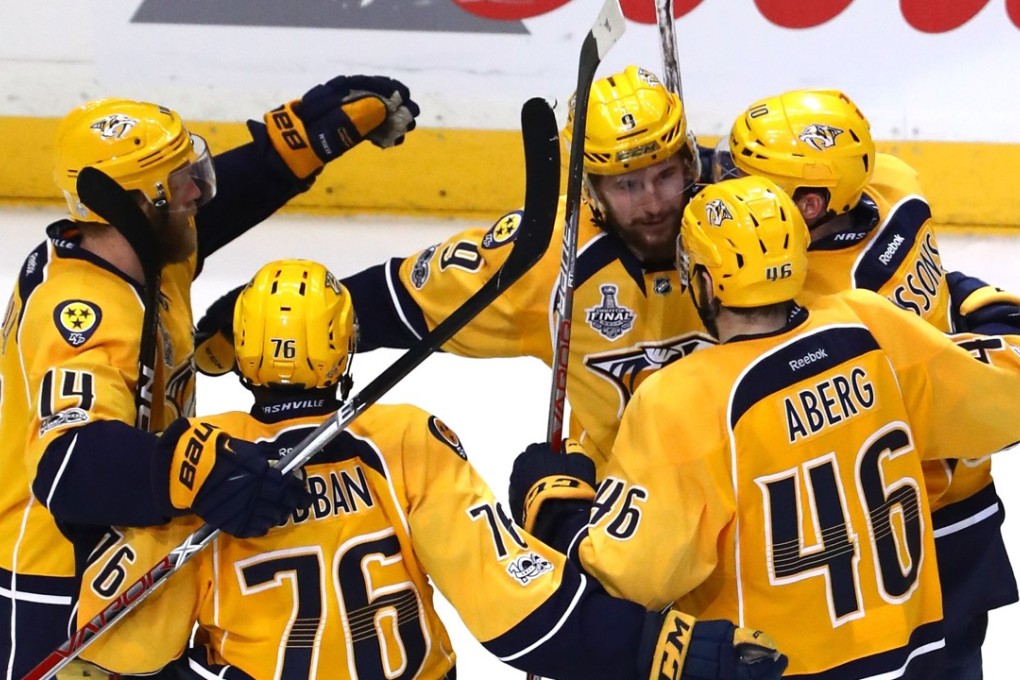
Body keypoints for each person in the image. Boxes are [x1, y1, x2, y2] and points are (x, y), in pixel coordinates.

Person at [75, 259, 787, 680]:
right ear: (345, 348)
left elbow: (113, 650)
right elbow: (520, 608)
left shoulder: (199, 462)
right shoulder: (404, 438)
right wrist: (673, 650)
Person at [510, 176, 1020, 678]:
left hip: (774, 668)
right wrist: (978, 301)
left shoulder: (682, 400)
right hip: (913, 657)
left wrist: (555, 505)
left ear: (705, 282)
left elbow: (629, 576)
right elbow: (1002, 404)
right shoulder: (871, 325)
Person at [0, 76, 419, 680]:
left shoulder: (139, 250)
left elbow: (212, 211)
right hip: (55, 585)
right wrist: (198, 467)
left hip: (129, 549)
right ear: (133, 206)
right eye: (179, 184)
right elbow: (68, 464)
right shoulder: (81, 315)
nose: (198, 191)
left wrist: (293, 149)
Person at [194, 64, 715, 477]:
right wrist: (282, 320)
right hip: (634, 508)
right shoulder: (548, 258)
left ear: (690, 162)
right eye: (626, 186)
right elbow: (403, 299)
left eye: (665, 175)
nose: (652, 204)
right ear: (590, 189)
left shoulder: (750, 221)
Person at [717, 89, 1018, 677]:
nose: (735, 191)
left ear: (807, 205)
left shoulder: (815, 298)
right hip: (967, 492)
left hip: (897, 527)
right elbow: (944, 287)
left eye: (755, 180)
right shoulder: (897, 185)